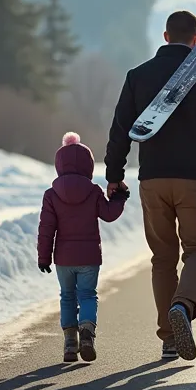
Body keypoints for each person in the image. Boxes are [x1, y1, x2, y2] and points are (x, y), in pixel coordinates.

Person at [104, 10, 196, 361]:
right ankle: (183, 305)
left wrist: (114, 175)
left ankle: (168, 336)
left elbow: (120, 130)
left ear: (165, 37)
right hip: (194, 179)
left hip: (152, 179)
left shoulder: (138, 76)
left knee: (162, 258)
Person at [38, 132, 129, 363]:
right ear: (88, 165)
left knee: (67, 296)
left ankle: (70, 344)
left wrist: (44, 257)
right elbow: (108, 215)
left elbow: (46, 228)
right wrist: (119, 198)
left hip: (64, 259)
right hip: (89, 257)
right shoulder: (93, 191)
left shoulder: (51, 195)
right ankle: (87, 333)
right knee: (87, 295)